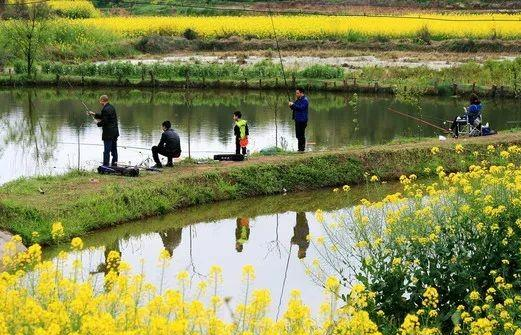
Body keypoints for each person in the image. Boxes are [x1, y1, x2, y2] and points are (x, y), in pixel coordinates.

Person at [88, 95, 119, 167]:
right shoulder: (111, 107)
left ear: (102, 100)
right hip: (115, 132)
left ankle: (105, 166)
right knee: (114, 150)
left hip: (108, 134)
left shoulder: (105, 109)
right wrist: (93, 114)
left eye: (100, 101)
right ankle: (115, 165)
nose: (100, 102)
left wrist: (97, 123)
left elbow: (104, 121)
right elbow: (103, 116)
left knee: (106, 151)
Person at [288, 88, 309, 152]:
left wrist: (293, 104)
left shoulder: (305, 100)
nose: (296, 94)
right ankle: (299, 149)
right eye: (296, 93)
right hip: (297, 120)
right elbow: (295, 108)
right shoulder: (298, 100)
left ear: (301, 93)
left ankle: (302, 149)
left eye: (297, 93)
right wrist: (291, 106)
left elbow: (301, 108)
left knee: (301, 135)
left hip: (302, 120)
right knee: (298, 135)